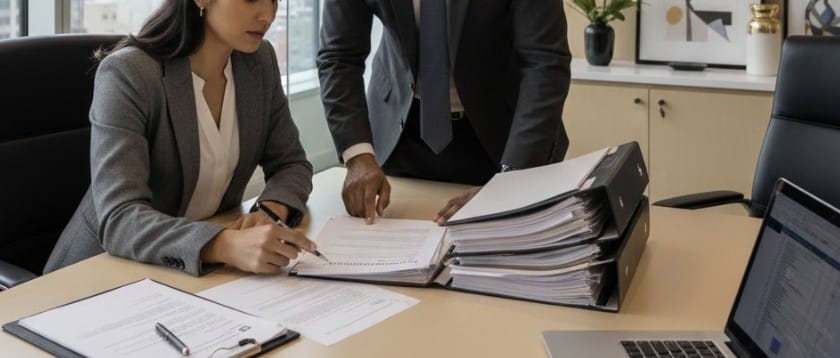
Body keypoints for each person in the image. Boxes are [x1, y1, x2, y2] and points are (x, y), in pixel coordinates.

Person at [44, 0, 316, 276]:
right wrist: (222, 244)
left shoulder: (258, 61)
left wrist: (269, 213)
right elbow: (120, 217)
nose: (268, 15)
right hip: (100, 272)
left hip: (195, 276)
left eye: (275, 0)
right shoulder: (130, 73)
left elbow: (291, 163)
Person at [317, 0, 572, 225]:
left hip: (502, 138)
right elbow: (339, 57)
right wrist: (358, 155)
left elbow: (545, 64)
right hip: (399, 137)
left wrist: (512, 177)